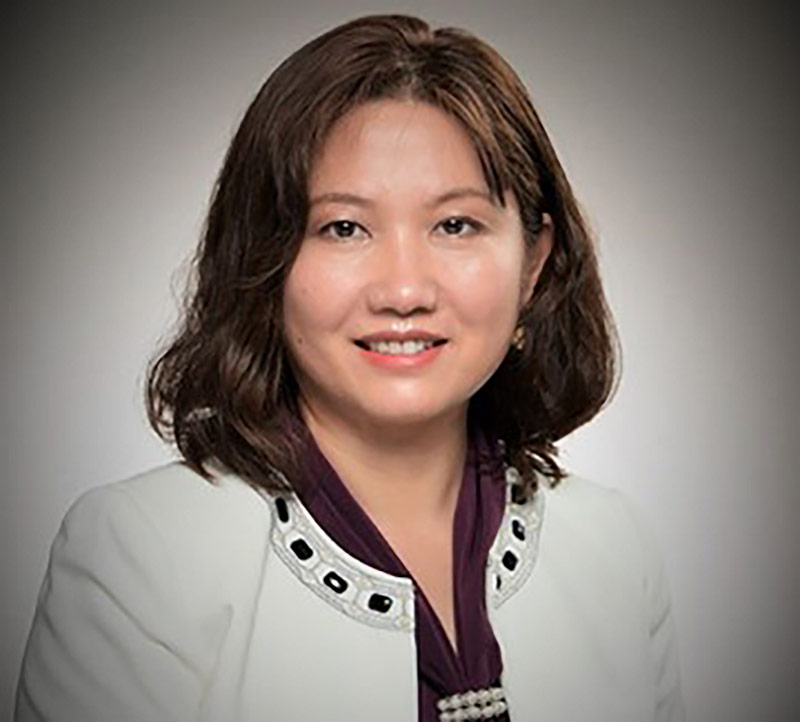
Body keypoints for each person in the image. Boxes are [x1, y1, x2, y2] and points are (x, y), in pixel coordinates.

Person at [15, 13, 685, 722]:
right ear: (265, 261)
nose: (403, 291)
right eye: (344, 228)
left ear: (534, 262)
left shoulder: (617, 549)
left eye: (456, 225)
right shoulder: (139, 555)